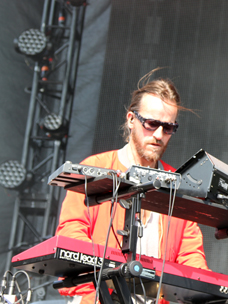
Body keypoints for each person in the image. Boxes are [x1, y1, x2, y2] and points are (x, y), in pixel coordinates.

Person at [55, 70, 208, 304]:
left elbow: (190, 255)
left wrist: (205, 293)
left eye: (168, 128)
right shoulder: (95, 168)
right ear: (131, 119)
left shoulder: (177, 185)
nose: (159, 135)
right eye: (151, 123)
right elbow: (72, 237)